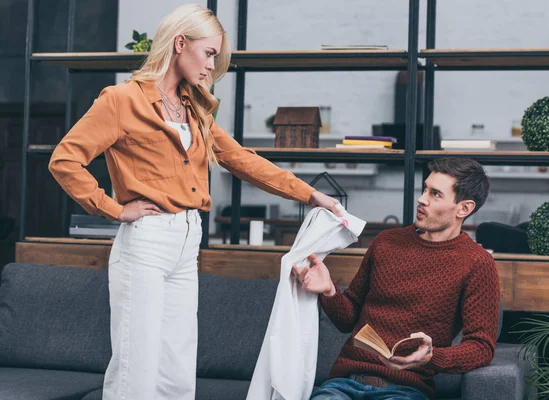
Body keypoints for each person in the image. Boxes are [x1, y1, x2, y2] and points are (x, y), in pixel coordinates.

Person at [48, 4, 340, 399]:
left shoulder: (194, 107)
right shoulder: (121, 100)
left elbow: (241, 159)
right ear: (180, 43)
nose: (211, 66)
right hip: (147, 242)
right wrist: (114, 209)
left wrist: (312, 194)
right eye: (209, 53)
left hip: (187, 243)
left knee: (178, 366)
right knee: (138, 366)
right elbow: (65, 160)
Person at [293, 158, 499, 400]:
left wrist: (433, 357)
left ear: (463, 208)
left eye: (435, 194)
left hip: (405, 391)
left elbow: (481, 347)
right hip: (344, 384)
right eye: (424, 189)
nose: (422, 199)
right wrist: (329, 291)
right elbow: (347, 321)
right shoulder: (386, 242)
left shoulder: (476, 262)